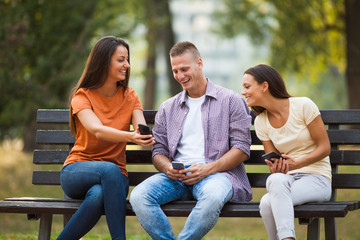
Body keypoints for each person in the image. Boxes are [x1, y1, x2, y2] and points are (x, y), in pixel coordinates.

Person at [129, 41, 252, 240]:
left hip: (217, 175)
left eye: (184, 69)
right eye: (175, 71)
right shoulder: (168, 107)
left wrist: (208, 169)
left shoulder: (231, 100)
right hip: (176, 177)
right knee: (139, 196)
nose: (180, 76)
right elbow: (158, 151)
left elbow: (241, 148)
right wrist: (167, 167)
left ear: (199, 63)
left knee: (212, 197)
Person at [57, 36, 154, 240]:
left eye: (127, 60)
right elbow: (97, 130)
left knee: (98, 195)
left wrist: (144, 136)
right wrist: (130, 136)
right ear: (103, 61)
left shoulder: (130, 95)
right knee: (108, 169)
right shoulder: (82, 96)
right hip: (77, 171)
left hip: (116, 178)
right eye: (121, 60)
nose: (127, 65)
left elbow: (140, 126)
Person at [241, 64, 332, 240]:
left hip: (317, 179)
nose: (243, 92)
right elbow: (274, 164)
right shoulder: (261, 122)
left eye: (247, 86)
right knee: (274, 180)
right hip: (287, 180)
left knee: (267, 203)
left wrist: (298, 163)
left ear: (265, 86)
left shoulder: (303, 106)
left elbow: (325, 147)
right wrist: (277, 168)